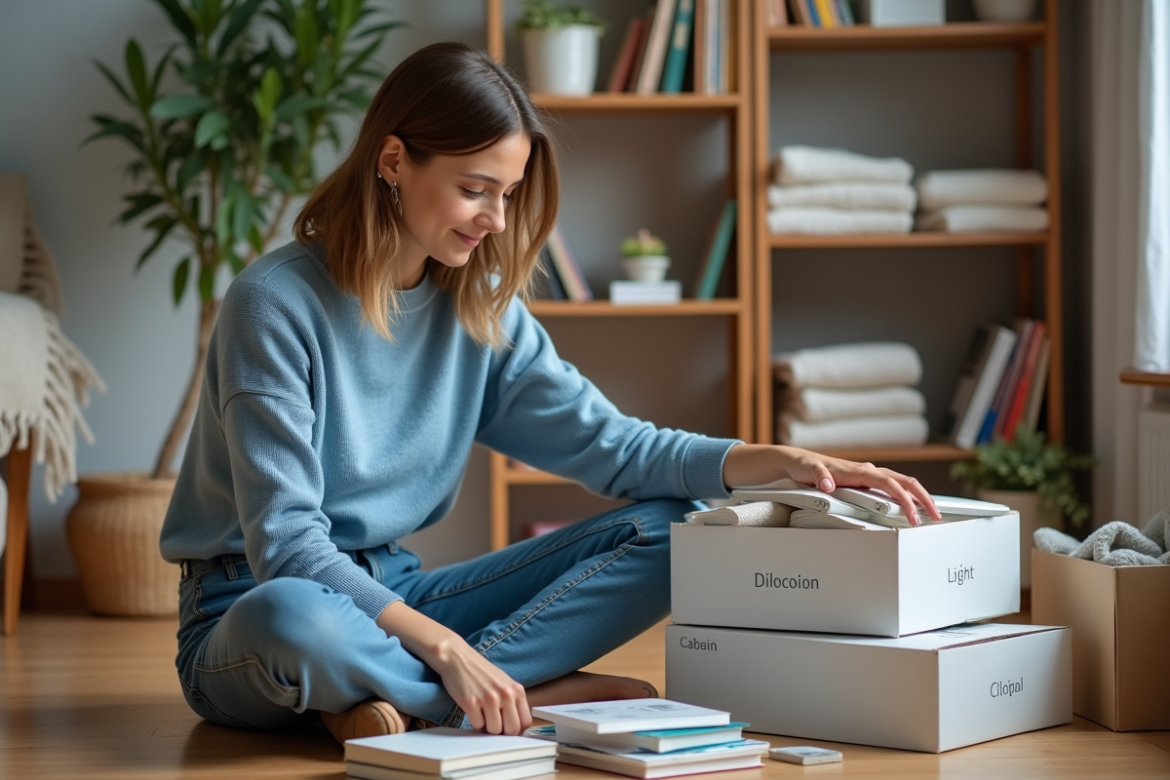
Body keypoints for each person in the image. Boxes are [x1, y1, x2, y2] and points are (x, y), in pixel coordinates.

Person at [159, 41, 939, 744]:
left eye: (508, 192)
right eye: (475, 190)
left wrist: (776, 461)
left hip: (397, 594)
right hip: (249, 607)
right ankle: (506, 692)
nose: (496, 220)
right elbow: (288, 546)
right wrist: (448, 649)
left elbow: (614, 448)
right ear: (393, 161)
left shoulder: (479, 305)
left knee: (683, 530)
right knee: (296, 615)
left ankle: (428, 702)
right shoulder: (274, 303)